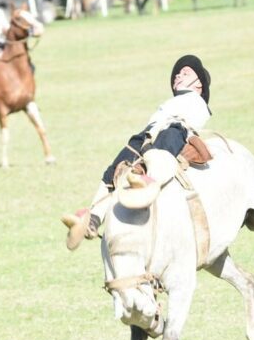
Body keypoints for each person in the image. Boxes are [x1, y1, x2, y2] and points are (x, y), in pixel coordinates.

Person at [61, 54, 211, 251]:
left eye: (185, 73)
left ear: (199, 84)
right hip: (147, 135)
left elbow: (188, 122)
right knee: (114, 170)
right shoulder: (171, 102)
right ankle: (93, 218)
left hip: (175, 130)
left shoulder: (197, 101)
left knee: (160, 153)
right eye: (177, 74)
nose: (177, 76)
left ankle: (148, 185)